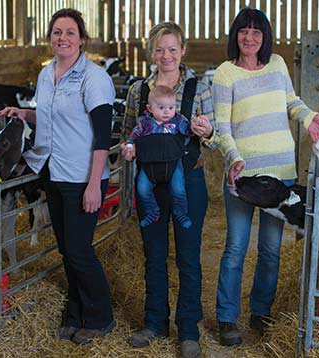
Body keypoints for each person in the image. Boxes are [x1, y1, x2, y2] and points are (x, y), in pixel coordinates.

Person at [0, 8, 116, 345]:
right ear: (50, 38)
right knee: (66, 249)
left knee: (79, 250)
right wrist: (24, 113)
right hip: (53, 170)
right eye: (57, 32)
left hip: (83, 176)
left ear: (81, 39)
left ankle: (101, 316)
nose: (63, 38)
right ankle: (76, 313)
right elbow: (49, 116)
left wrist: (95, 184)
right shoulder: (47, 73)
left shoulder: (94, 78)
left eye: (70, 32)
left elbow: (103, 135)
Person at [212, 8, 319, 346]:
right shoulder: (225, 73)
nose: (249, 38)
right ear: (235, 34)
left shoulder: (277, 64)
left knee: (270, 249)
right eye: (244, 31)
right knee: (235, 247)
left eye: (257, 32)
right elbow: (221, 126)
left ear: (265, 37)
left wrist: (308, 119)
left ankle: (260, 312)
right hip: (243, 174)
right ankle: (226, 318)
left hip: (280, 175)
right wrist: (233, 157)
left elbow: (292, 102)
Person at [121, 22, 215, 358]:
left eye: (172, 49)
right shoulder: (138, 90)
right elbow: (129, 131)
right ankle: (154, 322)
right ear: (152, 52)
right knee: (154, 255)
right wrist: (127, 148)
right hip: (149, 182)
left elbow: (213, 137)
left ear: (183, 51)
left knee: (188, 258)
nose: (166, 56)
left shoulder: (198, 89)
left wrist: (206, 131)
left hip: (188, 180)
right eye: (160, 49)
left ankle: (188, 329)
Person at [125, 85, 208, 229]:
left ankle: (181, 212)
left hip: (173, 163)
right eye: (162, 108)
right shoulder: (145, 123)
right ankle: (153, 211)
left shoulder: (178, 121)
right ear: (150, 108)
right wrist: (129, 145)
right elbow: (133, 135)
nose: (167, 112)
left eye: (171, 107)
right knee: (142, 188)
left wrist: (195, 126)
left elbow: (188, 131)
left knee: (178, 189)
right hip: (149, 164)